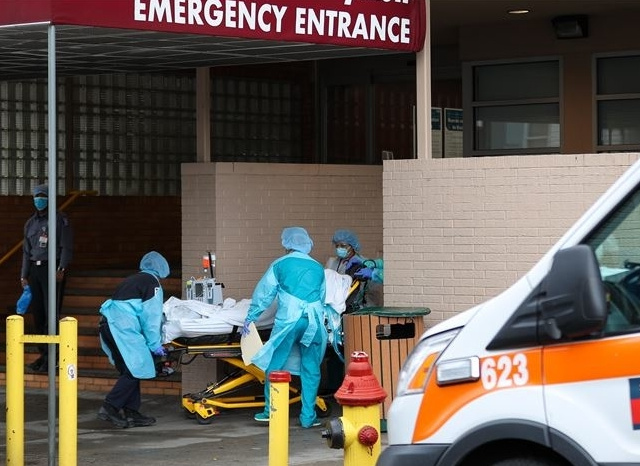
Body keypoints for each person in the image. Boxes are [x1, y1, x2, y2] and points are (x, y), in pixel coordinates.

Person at [241, 227, 329, 428]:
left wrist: (251, 317)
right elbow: (322, 297)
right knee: (311, 368)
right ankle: (308, 417)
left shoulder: (280, 264)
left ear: (286, 244)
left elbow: (264, 294)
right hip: (314, 321)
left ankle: (271, 411)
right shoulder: (317, 267)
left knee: (276, 363)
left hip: (290, 320)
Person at [97, 251, 170, 429]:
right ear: (162, 269)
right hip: (123, 328)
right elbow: (151, 319)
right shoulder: (153, 285)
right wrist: (155, 345)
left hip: (108, 325)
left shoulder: (133, 279)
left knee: (129, 370)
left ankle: (131, 411)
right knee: (135, 369)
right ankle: (110, 407)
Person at [20, 183, 73, 372]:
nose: (39, 200)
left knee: (52, 313)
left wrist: (62, 268)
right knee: (38, 314)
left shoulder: (60, 220)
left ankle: (55, 357)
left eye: (42, 196)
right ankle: (43, 355)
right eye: (36, 196)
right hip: (35, 270)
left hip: (52, 268)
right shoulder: (30, 223)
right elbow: (26, 252)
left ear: (50, 198)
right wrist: (23, 275)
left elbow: (66, 246)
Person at [326, 229, 384, 311]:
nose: (339, 248)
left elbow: (372, 293)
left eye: (343, 245)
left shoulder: (364, 264)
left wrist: (368, 310)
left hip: (357, 308)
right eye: (337, 246)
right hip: (335, 307)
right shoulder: (332, 262)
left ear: (352, 246)